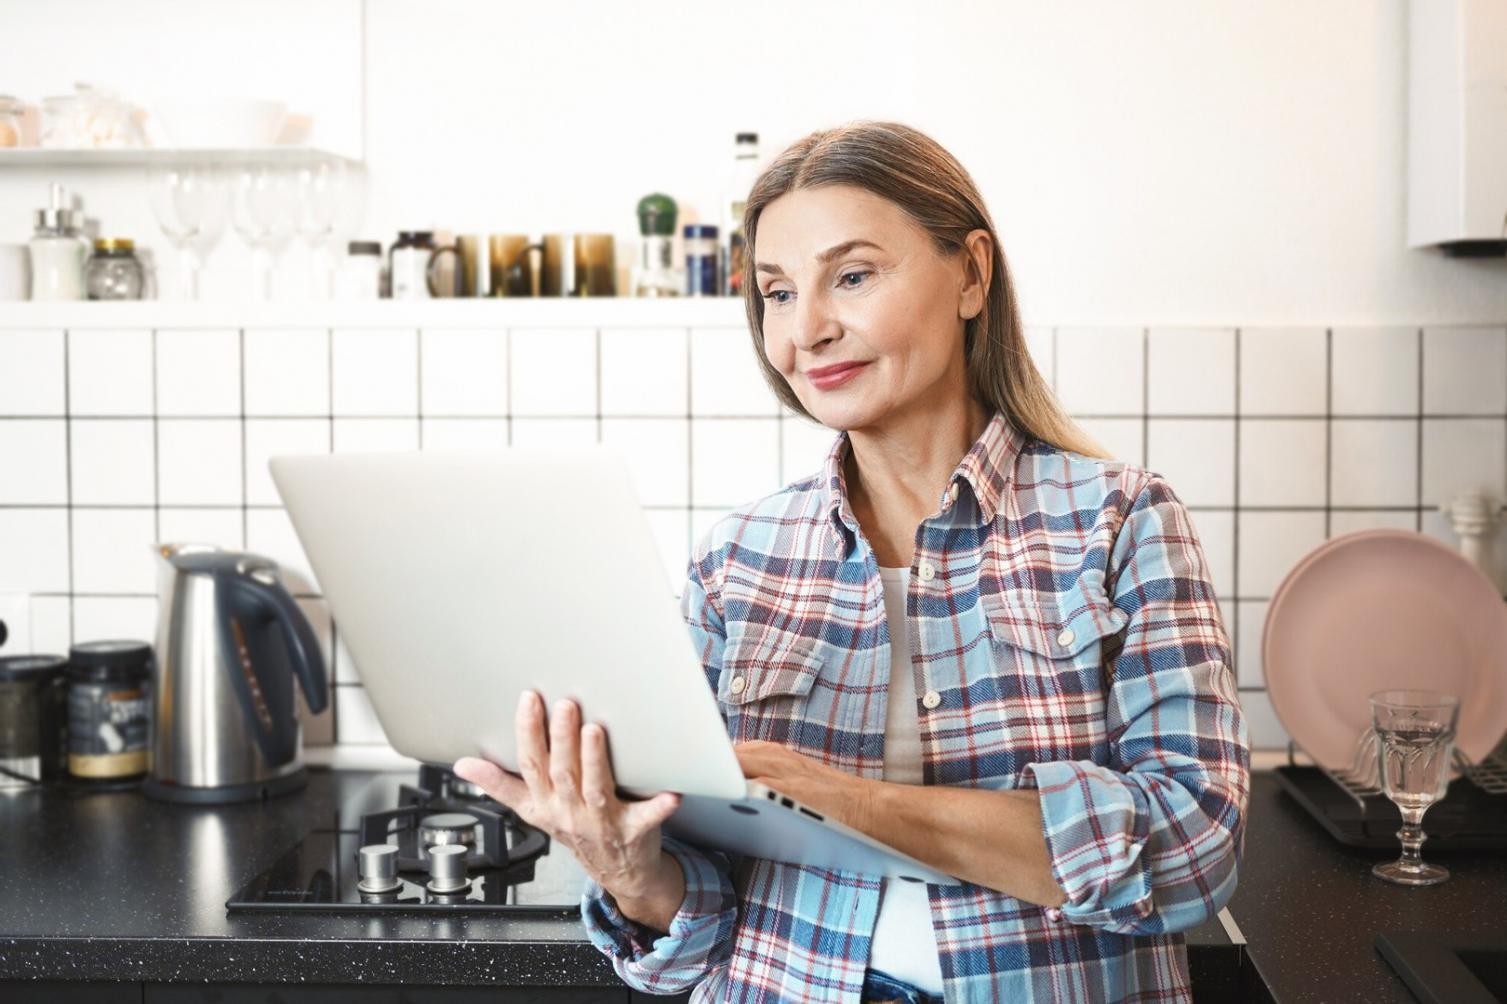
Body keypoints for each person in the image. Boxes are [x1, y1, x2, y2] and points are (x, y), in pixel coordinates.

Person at [455, 119, 1250, 1003]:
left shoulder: (1118, 520)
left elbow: (1192, 854)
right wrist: (626, 870)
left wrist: (848, 800)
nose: (808, 330)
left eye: (853, 276)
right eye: (777, 294)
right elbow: (695, 926)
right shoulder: (737, 560)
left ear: (971, 275)